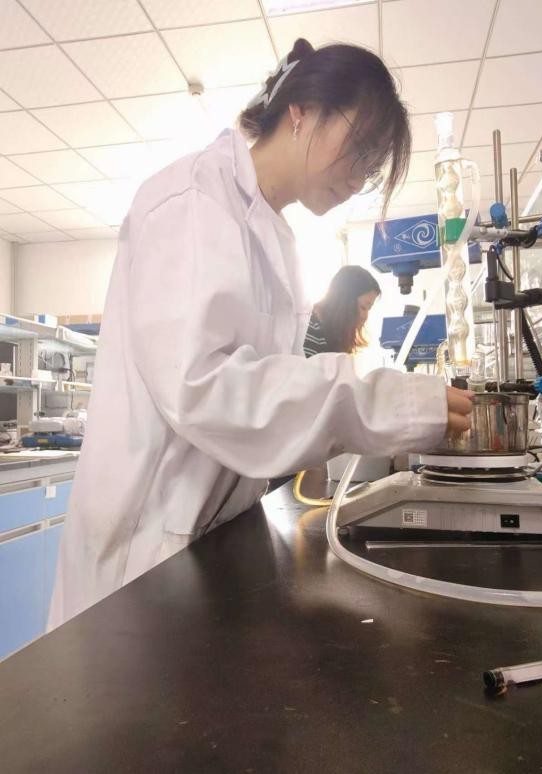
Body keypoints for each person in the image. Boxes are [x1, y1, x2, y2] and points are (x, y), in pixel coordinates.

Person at [48, 38, 472, 628]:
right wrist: (380, 403)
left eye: (373, 166)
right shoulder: (191, 201)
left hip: (205, 539)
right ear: (302, 109)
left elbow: (269, 393)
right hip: (143, 551)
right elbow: (205, 387)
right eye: (360, 149)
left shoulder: (275, 237)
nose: (360, 178)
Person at [304, 266, 380, 357]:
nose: (365, 316)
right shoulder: (309, 327)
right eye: (363, 307)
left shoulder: (336, 334)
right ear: (345, 301)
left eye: (369, 309)